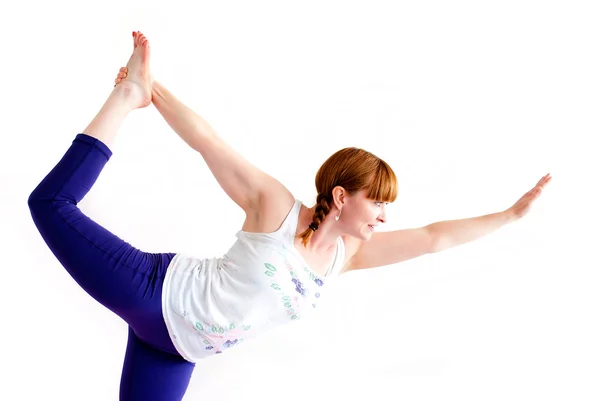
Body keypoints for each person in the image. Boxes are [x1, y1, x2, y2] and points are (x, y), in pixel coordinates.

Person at [28, 31, 552, 401]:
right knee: (49, 205)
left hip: (175, 351)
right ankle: (124, 98)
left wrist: (509, 216)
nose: (385, 217)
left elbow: (436, 238)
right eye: (378, 202)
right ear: (343, 197)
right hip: (154, 290)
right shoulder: (277, 209)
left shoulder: (346, 258)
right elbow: (208, 143)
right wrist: (149, 90)